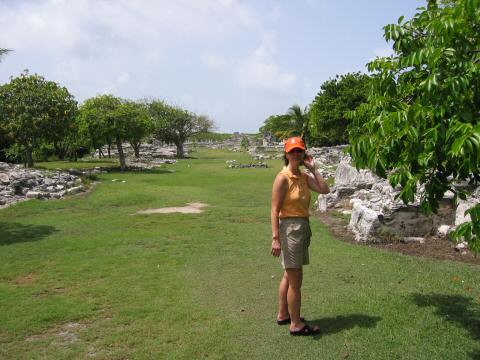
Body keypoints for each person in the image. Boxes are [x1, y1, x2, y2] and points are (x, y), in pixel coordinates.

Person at [271, 136, 329, 336]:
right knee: (296, 279)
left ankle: (283, 314)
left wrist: (313, 169)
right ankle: (295, 324)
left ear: (304, 153)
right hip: (290, 229)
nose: (296, 154)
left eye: (299, 151)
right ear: (286, 154)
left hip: (302, 227)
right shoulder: (282, 178)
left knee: (289, 274)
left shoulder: (304, 177)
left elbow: (325, 189)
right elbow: (274, 209)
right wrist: (275, 238)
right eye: (292, 151)